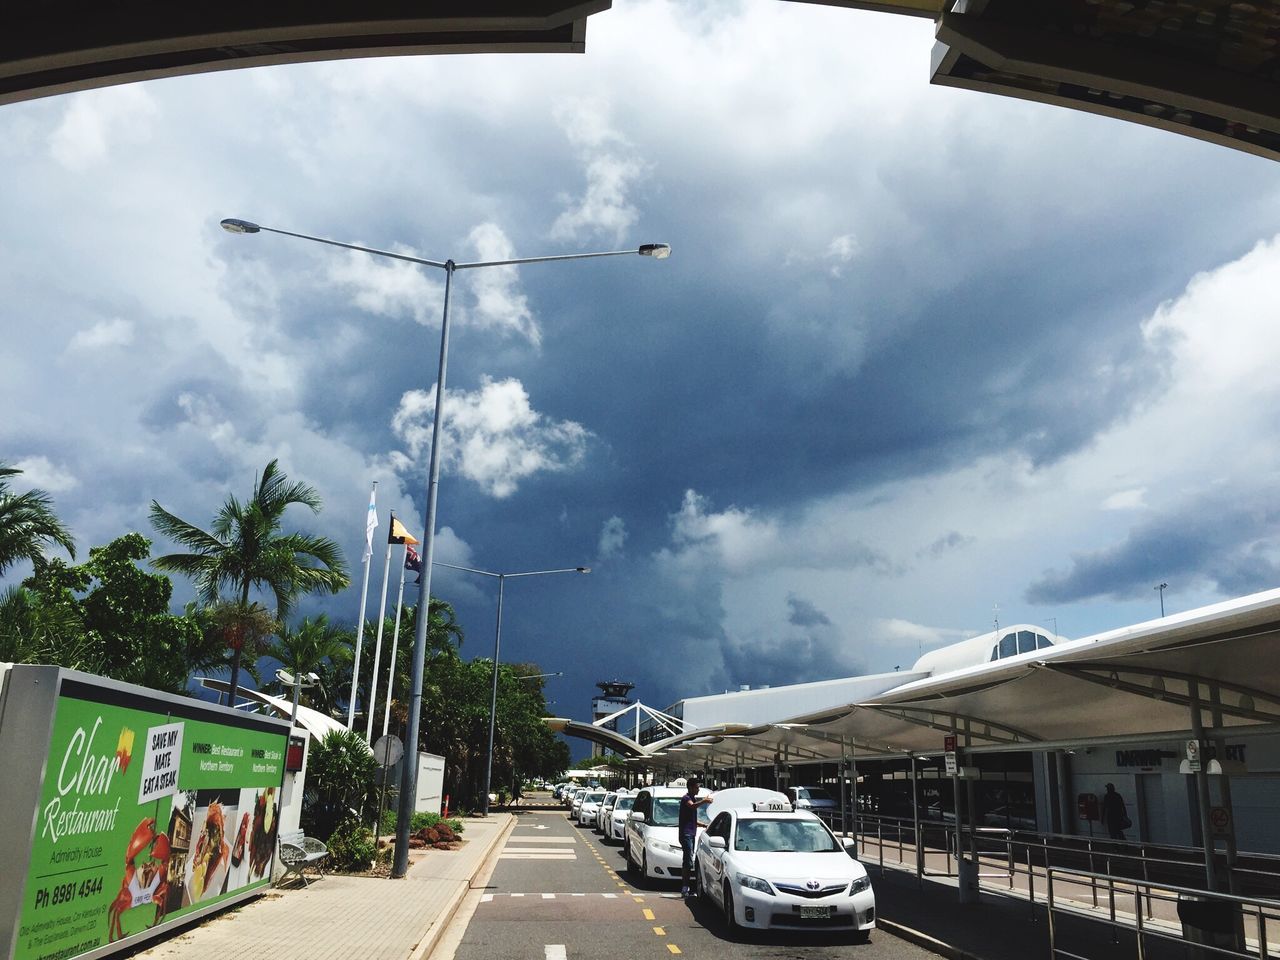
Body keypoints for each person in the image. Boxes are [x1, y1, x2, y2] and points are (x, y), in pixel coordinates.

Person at [679, 778, 714, 898]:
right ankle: (685, 887)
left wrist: (704, 825)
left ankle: (687, 887)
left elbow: (692, 820)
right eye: (697, 787)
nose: (698, 789)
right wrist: (704, 801)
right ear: (691, 788)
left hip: (691, 833)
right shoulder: (686, 798)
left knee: (689, 859)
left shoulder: (692, 799)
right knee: (688, 860)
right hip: (686, 834)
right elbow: (692, 806)